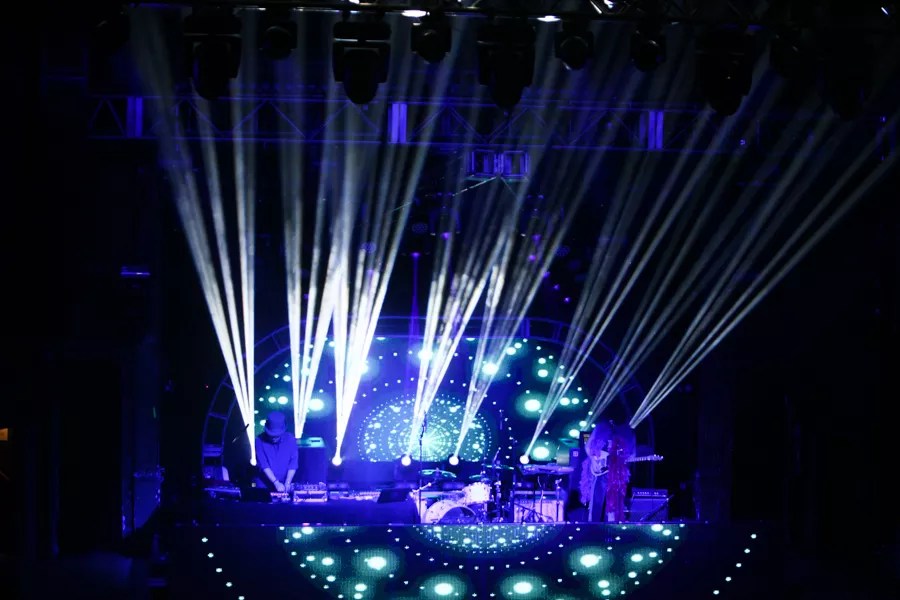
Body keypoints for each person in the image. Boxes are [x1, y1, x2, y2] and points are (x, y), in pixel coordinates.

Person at [574, 420, 636, 522]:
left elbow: (631, 454)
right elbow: (588, 447)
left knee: (614, 505)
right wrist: (594, 460)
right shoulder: (601, 428)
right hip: (600, 474)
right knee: (597, 503)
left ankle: (611, 527)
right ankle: (594, 527)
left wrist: (622, 459)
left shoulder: (627, 432)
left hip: (616, 474)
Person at [254, 410, 297, 492]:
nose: (274, 438)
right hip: (263, 484)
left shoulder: (290, 439)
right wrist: (276, 482)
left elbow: (293, 464)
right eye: (271, 435)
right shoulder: (259, 440)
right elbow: (264, 464)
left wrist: (288, 482)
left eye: (277, 436)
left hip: (284, 482)